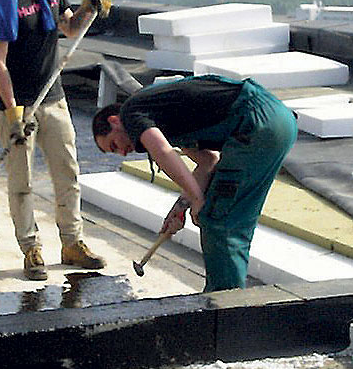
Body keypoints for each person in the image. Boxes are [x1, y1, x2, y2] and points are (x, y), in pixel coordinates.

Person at [0, 0, 112, 281]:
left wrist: (88, 8)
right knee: (21, 180)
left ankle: (72, 243)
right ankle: (31, 248)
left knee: (67, 171)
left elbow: (69, 29)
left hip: (52, 97)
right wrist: (13, 113)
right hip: (16, 103)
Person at [91, 74, 298, 291]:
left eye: (114, 145)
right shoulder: (160, 113)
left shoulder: (131, 112)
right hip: (275, 121)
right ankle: (226, 299)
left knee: (219, 221)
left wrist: (198, 199)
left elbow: (163, 151)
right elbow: (208, 161)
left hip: (256, 123)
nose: (123, 152)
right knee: (223, 216)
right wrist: (181, 206)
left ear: (114, 121)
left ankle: (224, 305)